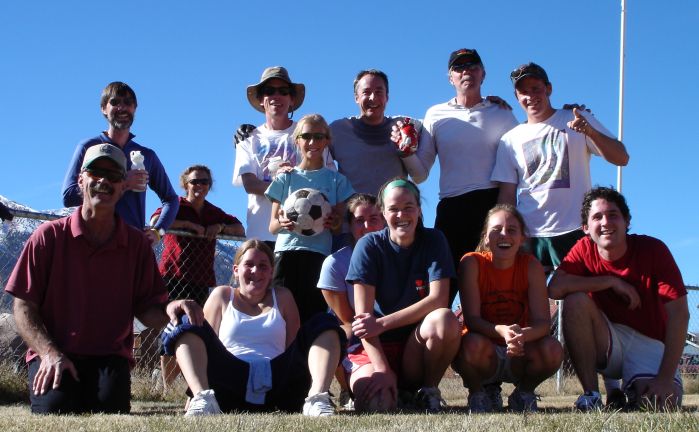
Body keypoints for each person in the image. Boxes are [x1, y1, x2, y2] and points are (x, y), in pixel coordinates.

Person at [5, 143, 203, 414]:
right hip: (54, 352)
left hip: (109, 358)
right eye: (95, 172)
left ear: (124, 186)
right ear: (80, 180)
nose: (103, 181)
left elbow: (147, 308)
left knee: (111, 408)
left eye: (113, 176)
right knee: (56, 407)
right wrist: (49, 353)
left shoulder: (136, 245)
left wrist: (171, 310)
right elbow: (23, 306)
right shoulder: (47, 237)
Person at [161, 239, 345, 416]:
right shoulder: (222, 296)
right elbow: (203, 346)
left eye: (263, 266)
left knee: (324, 321)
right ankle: (203, 399)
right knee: (187, 320)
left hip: (278, 381)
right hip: (229, 379)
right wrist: (192, 393)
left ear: (271, 272)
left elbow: (293, 349)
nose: (256, 271)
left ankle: (317, 399)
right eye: (249, 264)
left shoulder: (283, 297)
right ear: (236, 270)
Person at [548, 187, 688, 411]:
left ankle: (629, 391)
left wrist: (664, 379)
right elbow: (555, 289)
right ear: (585, 228)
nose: (605, 222)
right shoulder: (584, 249)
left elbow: (680, 314)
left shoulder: (652, 249)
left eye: (613, 215)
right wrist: (609, 281)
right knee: (575, 301)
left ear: (627, 221)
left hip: (649, 341)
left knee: (661, 403)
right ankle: (591, 395)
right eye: (597, 217)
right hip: (608, 340)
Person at [492, 63, 630, 274]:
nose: (530, 96)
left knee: (583, 295)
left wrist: (590, 132)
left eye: (536, 88)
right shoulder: (509, 139)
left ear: (549, 89)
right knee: (527, 299)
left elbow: (621, 157)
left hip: (576, 228)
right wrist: (508, 231)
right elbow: (507, 193)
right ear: (516, 96)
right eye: (523, 92)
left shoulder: (575, 118)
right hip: (531, 232)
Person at [410, 49, 519, 302]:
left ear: (483, 73)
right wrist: (404, 152)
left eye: (472, 66)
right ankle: (441, 338)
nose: (466, 71)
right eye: (459, 68)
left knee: (491, 290)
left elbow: (523, 153)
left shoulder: (501, 112)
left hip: (491, 206)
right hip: (452, 208)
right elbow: (420, 173)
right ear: (451, 78)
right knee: (441, 290)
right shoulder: (435, 114)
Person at [346, 178, 461, 412]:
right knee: (378, 406)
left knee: (445, 318)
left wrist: (382, 323)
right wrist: (382, 369)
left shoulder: (434, 240)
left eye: (409, 207)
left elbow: (439, 299)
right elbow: (363, 321)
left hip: (414, 346)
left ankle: (427, 390)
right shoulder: (368, 246)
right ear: (383, 212)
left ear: (419, 210)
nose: (402, 215)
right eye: (394, 209)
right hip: (375, 346)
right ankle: (389, 389)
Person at [452, 204, 562, 413]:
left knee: (553, 349)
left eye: (512, 230)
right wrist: (501, 331)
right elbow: (472, 320)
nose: (504, 235)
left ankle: (524, 393)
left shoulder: (531, 266)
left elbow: (543, 325)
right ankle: (479, 393)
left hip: (520, 352)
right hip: (484, 352)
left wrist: (521, 335)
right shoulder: (472, 263)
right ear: (486, 237)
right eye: (496, 230)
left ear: (522, 238)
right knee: (470, 344)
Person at [151, 164, 245, 390]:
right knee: (171, 328)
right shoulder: (176, 205)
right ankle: (167, 386)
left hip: (201, 279)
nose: (199, 186)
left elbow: (240, 229)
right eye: (195, 181)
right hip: (174, 276)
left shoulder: (213, 211)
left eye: (204, 182)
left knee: (195, 328)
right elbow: (156, 222)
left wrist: (220, 226)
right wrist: (186, 225)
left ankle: (193, 383)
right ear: (185, 184)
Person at [62, 82, 179, 244]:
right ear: (103, 108)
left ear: (135, 109)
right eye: (115, 102)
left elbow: (171, 199)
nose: (122, 108)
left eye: (128, 103)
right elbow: (68, 196)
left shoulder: (146, 156)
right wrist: (124, 183)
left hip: (130, 244)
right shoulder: (88, 147)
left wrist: (158, 231)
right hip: (90, 240)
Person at [265, 114, 355, 323]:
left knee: (311, 316)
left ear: (327, 141)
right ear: (297, 140)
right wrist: (283, 222)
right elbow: (272, 227)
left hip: (318, 256)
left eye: (318, 136)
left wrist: (333, 221)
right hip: (286, 254)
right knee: (281, 316)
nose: (312, 142)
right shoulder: (285, 178)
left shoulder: (336, 181)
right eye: (306, 136)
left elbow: (336, 228)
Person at [232, 67, 334, 249]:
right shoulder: (248, 139)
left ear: (292, 99)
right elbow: (251, 184)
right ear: (261, 100)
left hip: (306, 237)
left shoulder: (311, 136)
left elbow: (329, 179)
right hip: (262, 237)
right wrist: (297, 192)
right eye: (269, 91)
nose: (276, 96)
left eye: (283, 91)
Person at [317, 193, 385, 407]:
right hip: (359, 336)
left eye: (374, 219)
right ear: (349, 225)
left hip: (393, 332)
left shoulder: (401, 256)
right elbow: (348, 321)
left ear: (384, 220)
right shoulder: (335, 264)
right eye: (359, 221)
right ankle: (347, 387)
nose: (367, 226)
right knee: (338, 332)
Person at [329, 69, 425, 196]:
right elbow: (316, 162)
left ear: (387, 97)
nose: (373, 97)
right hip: (354, 213)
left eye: (379, 92)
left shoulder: (405, 125)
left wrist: (407, 148)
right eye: (366, 92)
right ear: (356, 98)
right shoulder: (338, 130)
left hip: (393, 212)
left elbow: (420, 176)